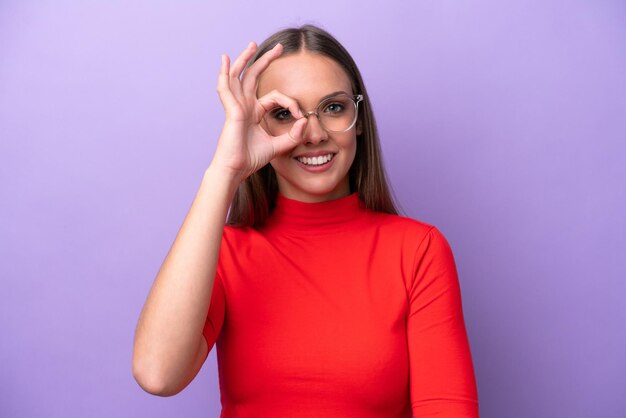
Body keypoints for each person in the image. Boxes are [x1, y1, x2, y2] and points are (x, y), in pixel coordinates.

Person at [132, 24, 479, 417]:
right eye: (284, 113)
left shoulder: (417, 251)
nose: (313, 134)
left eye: (333, 107)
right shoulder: (225, 253)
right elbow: (157, 373)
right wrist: (225, 171)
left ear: (359, 118)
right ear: (257, 126)